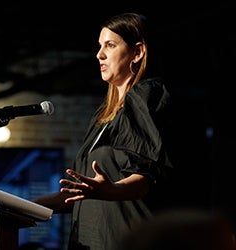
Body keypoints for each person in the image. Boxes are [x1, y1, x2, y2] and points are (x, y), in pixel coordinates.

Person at [33, 12, 174, 250]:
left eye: (110, 45)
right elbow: (81, 192)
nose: (99, 54)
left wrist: (112, 190)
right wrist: (21, 205)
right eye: (100, 46)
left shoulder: (146, 96)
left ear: (137, 52)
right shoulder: (104, 115)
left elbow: (144, 178)